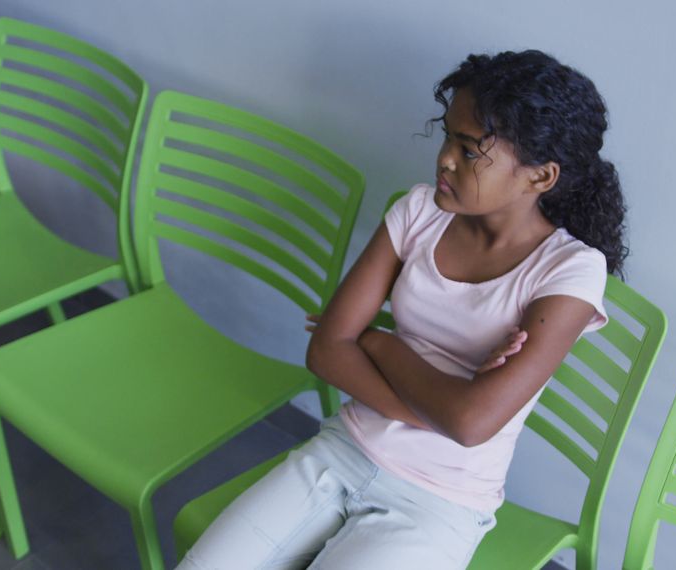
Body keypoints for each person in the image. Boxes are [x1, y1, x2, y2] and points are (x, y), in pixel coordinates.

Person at [178, 49, 628, 570]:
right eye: (447, 137)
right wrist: (448, 402)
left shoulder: (569, 270)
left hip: (439, 501)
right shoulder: (418, 211)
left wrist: (374, 341)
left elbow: (471, 424)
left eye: (468, 148)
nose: (444, 159)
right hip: (342, 449)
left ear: (540, 177)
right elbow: (324, 352)